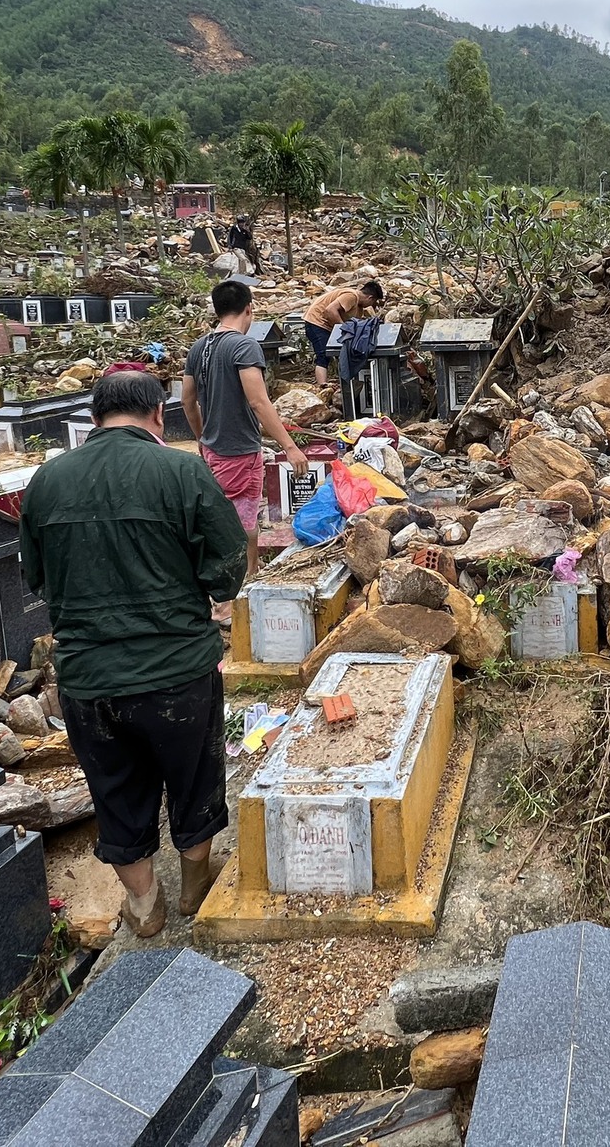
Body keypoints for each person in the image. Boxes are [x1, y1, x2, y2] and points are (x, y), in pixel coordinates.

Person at [19, 370, 247, 936]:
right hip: (178, 671)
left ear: (95, 418)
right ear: (157, 415)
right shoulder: (181, 470)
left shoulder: (47, 480)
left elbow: (36, 577)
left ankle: (144, 905)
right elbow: (226, 567)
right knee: (194, 776)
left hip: (89, 679)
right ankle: (195, 883)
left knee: (116, 790)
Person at [182, 280, 309, 576]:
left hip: (213, 451)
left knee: (224, 515)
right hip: (239, 450)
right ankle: (241, 586)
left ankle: (240, 578)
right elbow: (258, 402)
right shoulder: (244, 345)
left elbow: (188, 401)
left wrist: (202, 438)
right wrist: (290, 447)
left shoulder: (198, 347)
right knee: (243, 522)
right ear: (249, 309)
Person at [303, 280, 385, 387]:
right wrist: (344, 328)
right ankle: (322, 386)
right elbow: (330, 311)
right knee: (323, 355)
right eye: (373, 303)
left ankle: (345, 382)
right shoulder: (351, 296)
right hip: (317, 322)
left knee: (344, 352)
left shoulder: (358, 308)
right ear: (370, 298)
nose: (371, 306)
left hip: (329, 326)